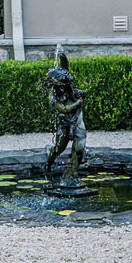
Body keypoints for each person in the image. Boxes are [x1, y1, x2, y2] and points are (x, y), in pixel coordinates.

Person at [43, 51, 87, 187]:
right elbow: (64, 109)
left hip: (77, 122)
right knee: (58, 148)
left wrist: (82, 94)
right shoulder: (53, 97)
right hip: (64, 124)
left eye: (64, 85)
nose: (63, 87)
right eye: (60, 86)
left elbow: (66, 72)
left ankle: (71, 172)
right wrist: (78, 103)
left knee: (80, 148)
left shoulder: (69, 88)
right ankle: (48, 164)